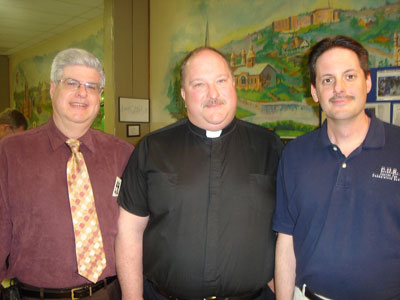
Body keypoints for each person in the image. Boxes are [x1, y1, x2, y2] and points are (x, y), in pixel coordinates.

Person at [116, 47, 283, 300]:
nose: (213, 94)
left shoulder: (271, 147)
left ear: (234, 84)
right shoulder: (152, 149)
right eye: (199, 84)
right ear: (183, 95)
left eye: (221, 81)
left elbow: (289, 227)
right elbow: (129, 232)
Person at [273, 35, 400, 300]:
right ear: (314, 92)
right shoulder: (294, 155)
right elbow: (286, 241)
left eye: (350, 76)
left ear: (368, 82)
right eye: (327, 80)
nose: (338, 88)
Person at [0, 48, 134, 299]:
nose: (82, 93)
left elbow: (134, 232)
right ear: (53, 89)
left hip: (107, 293)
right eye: (72, 83)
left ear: (100, 96)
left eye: (91, 86)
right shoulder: (11, 152)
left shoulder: (123, 154)